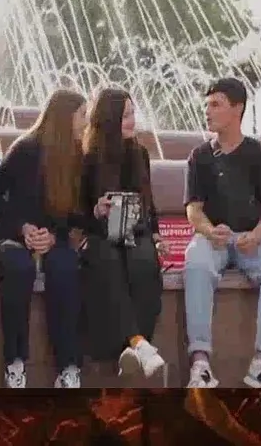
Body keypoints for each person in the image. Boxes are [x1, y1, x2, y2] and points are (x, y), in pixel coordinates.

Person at [182, 77, 261, 388]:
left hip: (252, 239)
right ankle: (200, 364)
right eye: (206, 105)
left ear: (237, 109)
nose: (207, 111)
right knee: (196, 265)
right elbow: (193, 210)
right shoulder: (199, 156)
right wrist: (208, 230)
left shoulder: (260, 154)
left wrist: (255, 236)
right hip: (212, 239)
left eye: (215, 105)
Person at [0, 87, 87, 388]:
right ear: (65, 117)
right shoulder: (26, 148)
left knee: (65, 268)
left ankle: (68, 367)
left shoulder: (78, 156)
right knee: (19, 268)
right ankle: (15, 363)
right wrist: (23, 227)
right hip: (14, 236)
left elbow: (78, 214)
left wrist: (54, 236)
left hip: (53, 239)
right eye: (82, 115)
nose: (86, 122)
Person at [78, 87, 168, 380]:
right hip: (98, 236)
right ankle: (139, 343)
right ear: (110, 118)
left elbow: (148, 202)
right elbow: (74, 212)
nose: (132, 120)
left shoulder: (139, 153)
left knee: (145, 260)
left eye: (133, 113)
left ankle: (136, 348)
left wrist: (156, 234)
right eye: (126, 115)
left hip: (134, 232)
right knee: (108, 260)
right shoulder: (88, 157)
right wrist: (96, 210)